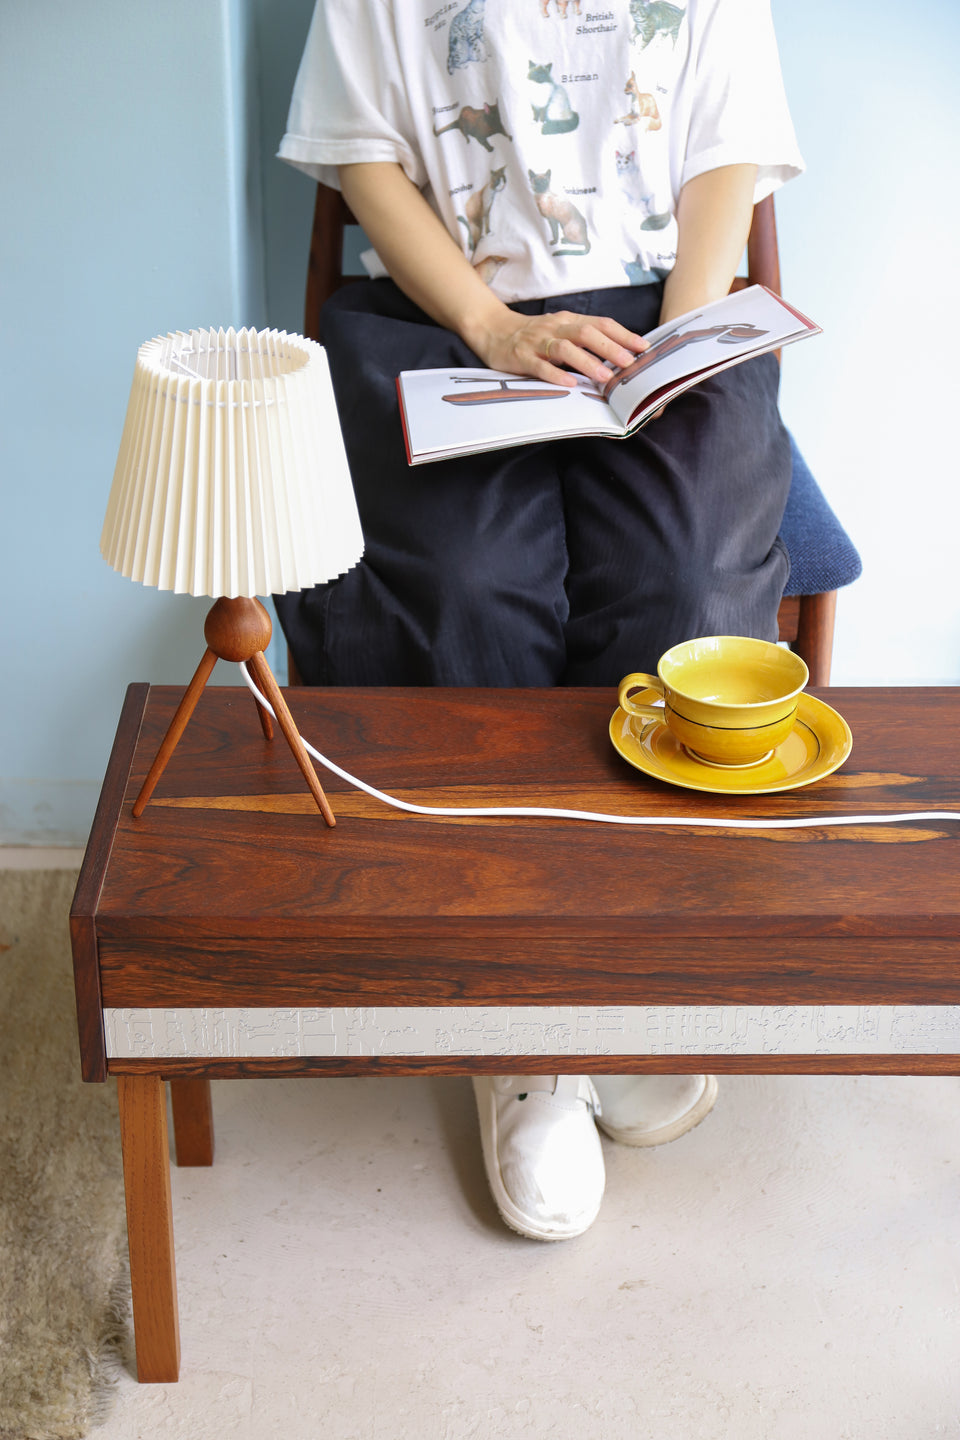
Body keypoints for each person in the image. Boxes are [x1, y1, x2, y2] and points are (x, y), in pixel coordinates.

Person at [276, 0, 804, 1241]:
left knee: (684, 582)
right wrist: (496, 326)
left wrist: (675, 340)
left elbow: (727, 156)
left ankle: (637, 969)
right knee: (464, 589)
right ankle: (520, 1022)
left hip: (667, 309)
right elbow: (366, 163)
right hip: (442, 317)